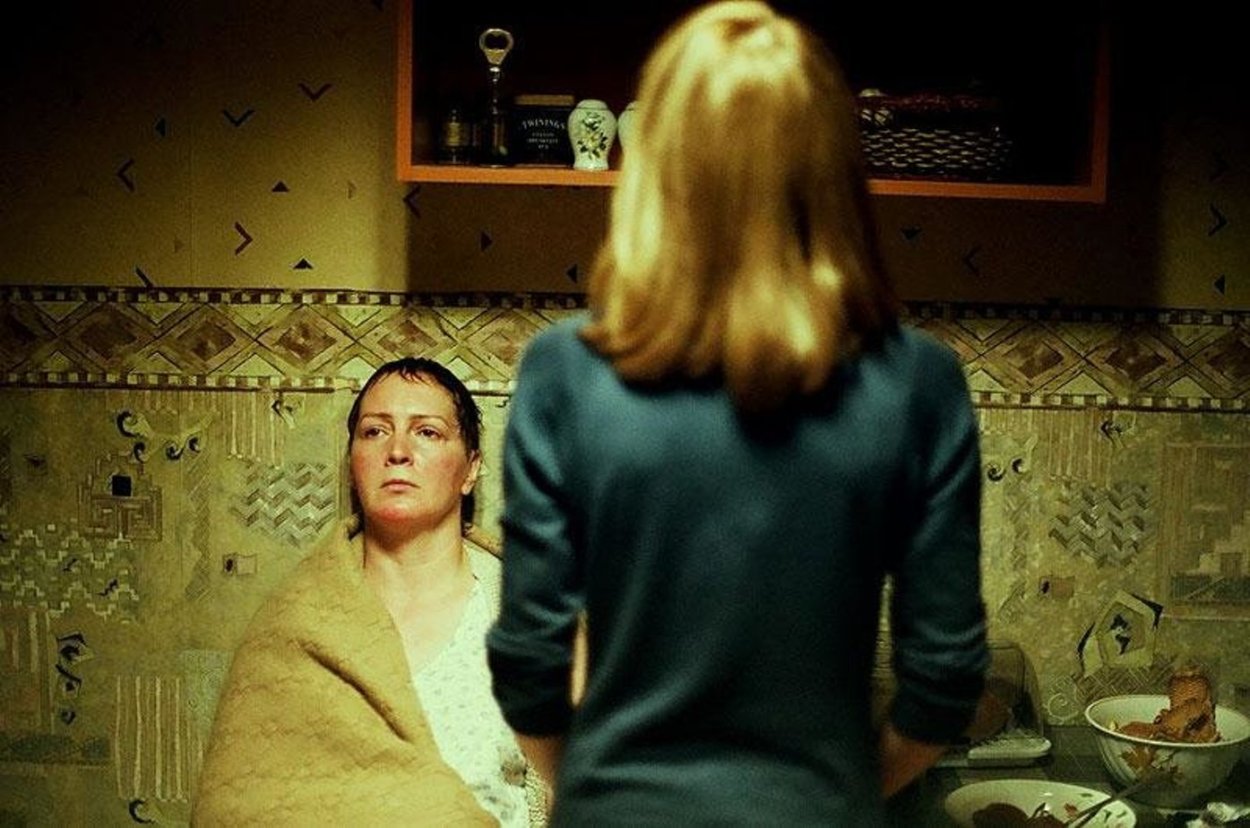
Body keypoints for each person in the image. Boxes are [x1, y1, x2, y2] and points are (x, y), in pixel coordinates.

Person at [485, 2, 990, 825]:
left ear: (656, 160)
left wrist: (605, 791)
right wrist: (832, 795)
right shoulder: (919, 385)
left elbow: (528, 668)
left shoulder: (565, 374)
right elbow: (944, 681)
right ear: (835, 169)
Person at [194, 357, 545, 826]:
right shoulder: (297, 624)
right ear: (352, 465)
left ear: (470, 469)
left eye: (427, 432)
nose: (397, 451)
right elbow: (236, 803)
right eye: (375, 431)